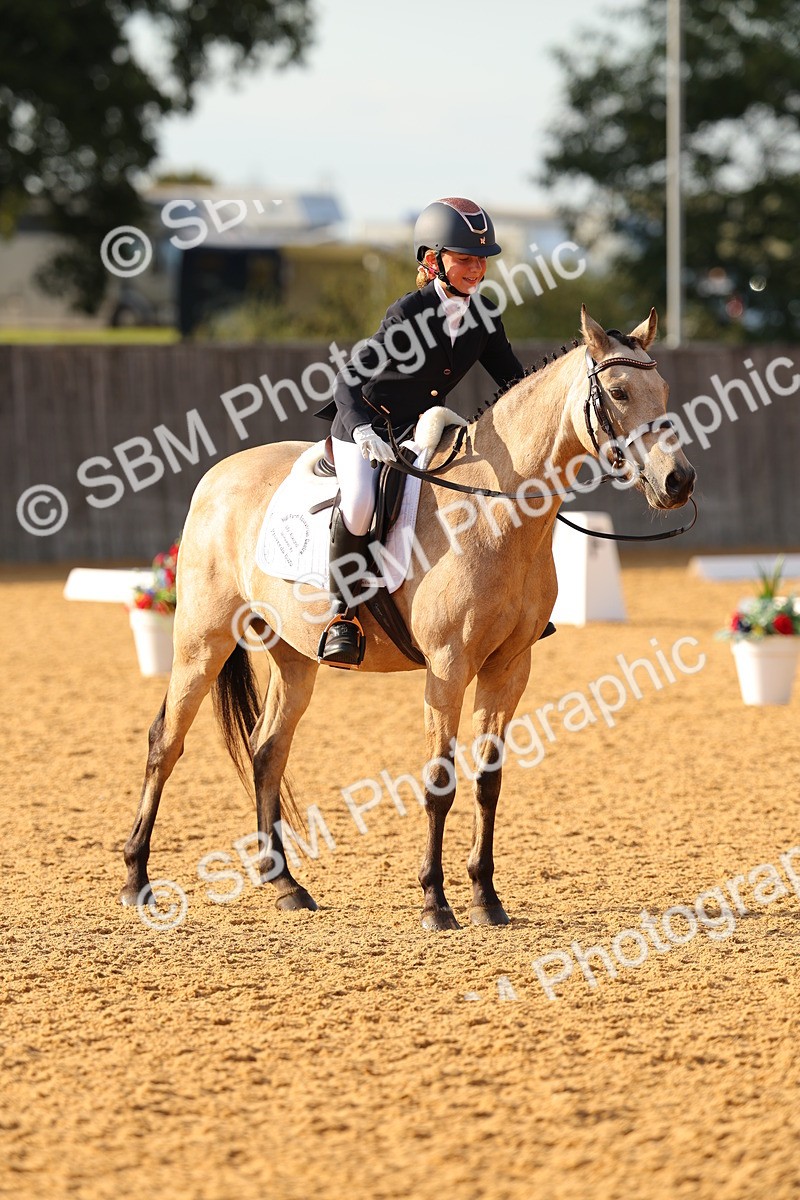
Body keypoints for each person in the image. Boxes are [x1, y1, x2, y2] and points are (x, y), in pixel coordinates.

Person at [316, 196, 525, 668]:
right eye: (465, 259)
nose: (476, 269)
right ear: (434, 261)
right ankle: (341, 615)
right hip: (365, 422)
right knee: (360, 503)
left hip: (420, 429)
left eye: (482, 260)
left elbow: (515, 383)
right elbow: (349, 379)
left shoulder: (484, 314)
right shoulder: (407, 313)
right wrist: (361, 430)